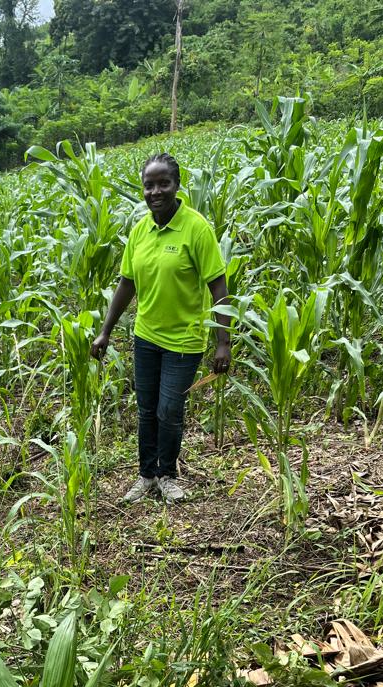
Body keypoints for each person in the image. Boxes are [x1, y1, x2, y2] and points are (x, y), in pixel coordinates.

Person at [91, 153, 230, 505]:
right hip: (146, 337)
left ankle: (167, 474)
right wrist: (105, 331)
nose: (156, 191)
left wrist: (223, 342)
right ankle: (146, 475)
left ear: (177, 185)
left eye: (163, 183)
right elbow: (126, 284)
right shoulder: (140, 231)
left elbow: (218, 285)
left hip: (184, 339)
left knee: (169, 410)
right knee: (146, 409)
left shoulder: (196, 228)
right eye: (149, 185)